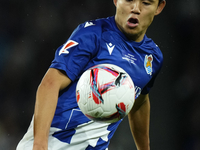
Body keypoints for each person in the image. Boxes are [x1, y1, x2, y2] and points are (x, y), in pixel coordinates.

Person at [17, 0, 166, 150]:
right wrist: (40, 144)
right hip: (53, 145)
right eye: (128, 0)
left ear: (159, 7)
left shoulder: (153, 57)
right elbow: (50, 83)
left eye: (146, 3)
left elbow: (140, 102)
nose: (135, 8)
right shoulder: (93, 34)